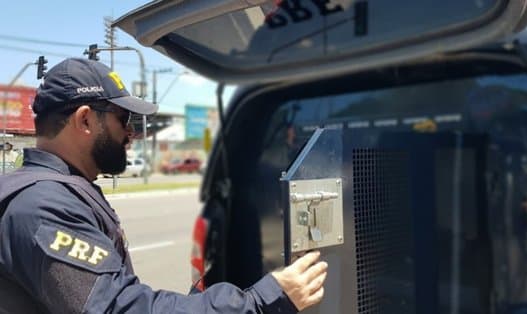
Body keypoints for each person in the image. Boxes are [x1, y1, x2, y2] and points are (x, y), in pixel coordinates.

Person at [0, 58, 328, 313]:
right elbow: (122, 309)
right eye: (123, 120)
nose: (131, 134)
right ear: (85, 120)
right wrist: (264, 299)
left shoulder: (53, 191)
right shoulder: (42, 207)